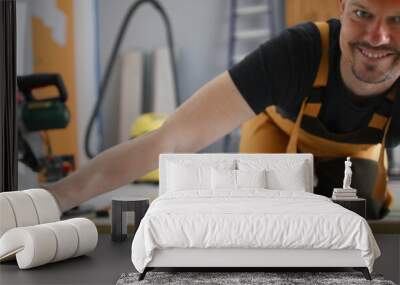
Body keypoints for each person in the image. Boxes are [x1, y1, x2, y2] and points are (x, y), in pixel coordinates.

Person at [43, 0, 400, 219]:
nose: (377, 37)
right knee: (265, 206)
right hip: (277, 135)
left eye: (397, 20)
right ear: (341, 6)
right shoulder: (298, 54)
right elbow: (170, 139)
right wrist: (54, 198)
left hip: (356, 156)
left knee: (363, 208)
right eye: (362, 13)